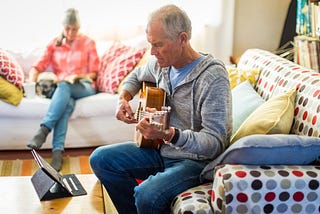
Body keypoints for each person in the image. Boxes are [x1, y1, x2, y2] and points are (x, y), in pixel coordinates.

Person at [90, 4, 232, 214]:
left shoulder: (213, 78)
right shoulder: (160, 64)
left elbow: (216, 143)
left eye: (158, 45)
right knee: (100, 159)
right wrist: (123, 98)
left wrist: (171, 135)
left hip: (194, 162)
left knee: (147, 194)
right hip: (160, 150)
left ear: (182, 39)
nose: (152, 52)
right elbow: (136, 75)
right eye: (150, 44)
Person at [27, 8, 100, 171]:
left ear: (79, 28)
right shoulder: (54, 44)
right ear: (63, 26)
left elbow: (94, 73)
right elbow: (36, 66)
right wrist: (30, 85)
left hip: (84, 86)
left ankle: (44, 129)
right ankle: (57, 153)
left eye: (75, 29)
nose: (71, 32)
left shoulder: (88, 43)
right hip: (63, 89)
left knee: (65, 85)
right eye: (68, 28)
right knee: (66, 103)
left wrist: (79, 76)